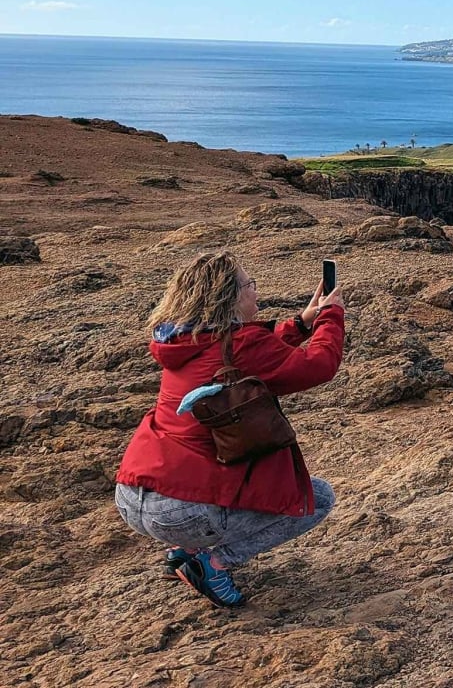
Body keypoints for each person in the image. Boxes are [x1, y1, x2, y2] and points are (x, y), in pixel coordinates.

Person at [114, 251, 346, 608]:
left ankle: (183, 552)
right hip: (181, 511)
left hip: (132, 496)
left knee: (199, 475)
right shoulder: (241, 345)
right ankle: (214, 563)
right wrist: (332, 315)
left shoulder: (186, 341)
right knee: (317, 499)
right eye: (249, 285)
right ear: (231, 297)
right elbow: (319, 365)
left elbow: (248, 357)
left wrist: (301, 324)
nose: (256, 291)